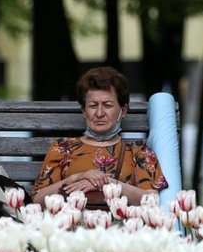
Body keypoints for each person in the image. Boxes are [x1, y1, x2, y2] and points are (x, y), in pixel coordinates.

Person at [33, 66, 167, 206]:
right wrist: (76, 178)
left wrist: (106, 183)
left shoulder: (138, 151)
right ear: (83, 111)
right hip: (72, 224)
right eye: (92, 105)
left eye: (107, 105)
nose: (99, 113)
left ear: (123, 110)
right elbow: (37, 200)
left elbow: (152, 201)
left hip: (121, 225)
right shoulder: (62, 148)